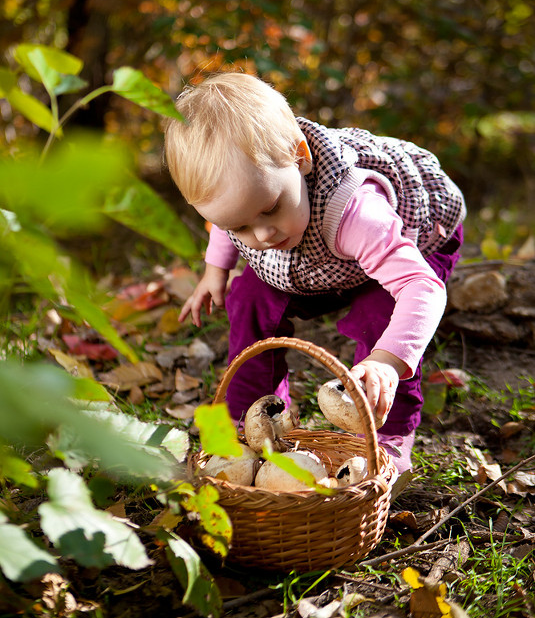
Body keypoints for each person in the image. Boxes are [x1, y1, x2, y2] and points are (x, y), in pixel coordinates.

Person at [164, 73, 465, 473]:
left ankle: (387, 436)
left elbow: (420, 287)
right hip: (316, 252)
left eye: (270, 209)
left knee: (381, 315)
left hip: (413, 241)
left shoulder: (357, 212)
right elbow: (228, 220)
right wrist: (214, 271)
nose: (263, 235)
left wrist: (388, 362)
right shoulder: (253, 206)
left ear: (300, 157)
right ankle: (253, 417)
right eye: (240, 226)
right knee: (249, 296)